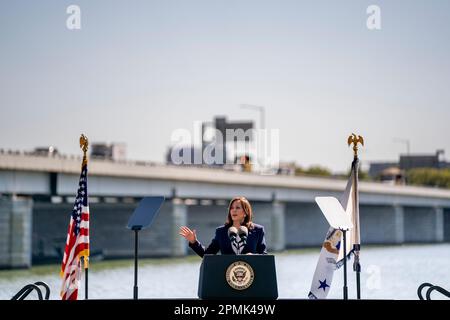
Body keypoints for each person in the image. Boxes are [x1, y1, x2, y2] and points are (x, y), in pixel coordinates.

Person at [179, 196, 267, 257]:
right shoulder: (221, 232)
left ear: (245, 212)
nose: (233, 210)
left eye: (237, 208)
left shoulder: (258, 230)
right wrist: (194, 242)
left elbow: (264, 255)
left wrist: (253, 256)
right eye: (231, 208)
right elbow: (208, 255)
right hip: (227, 277)